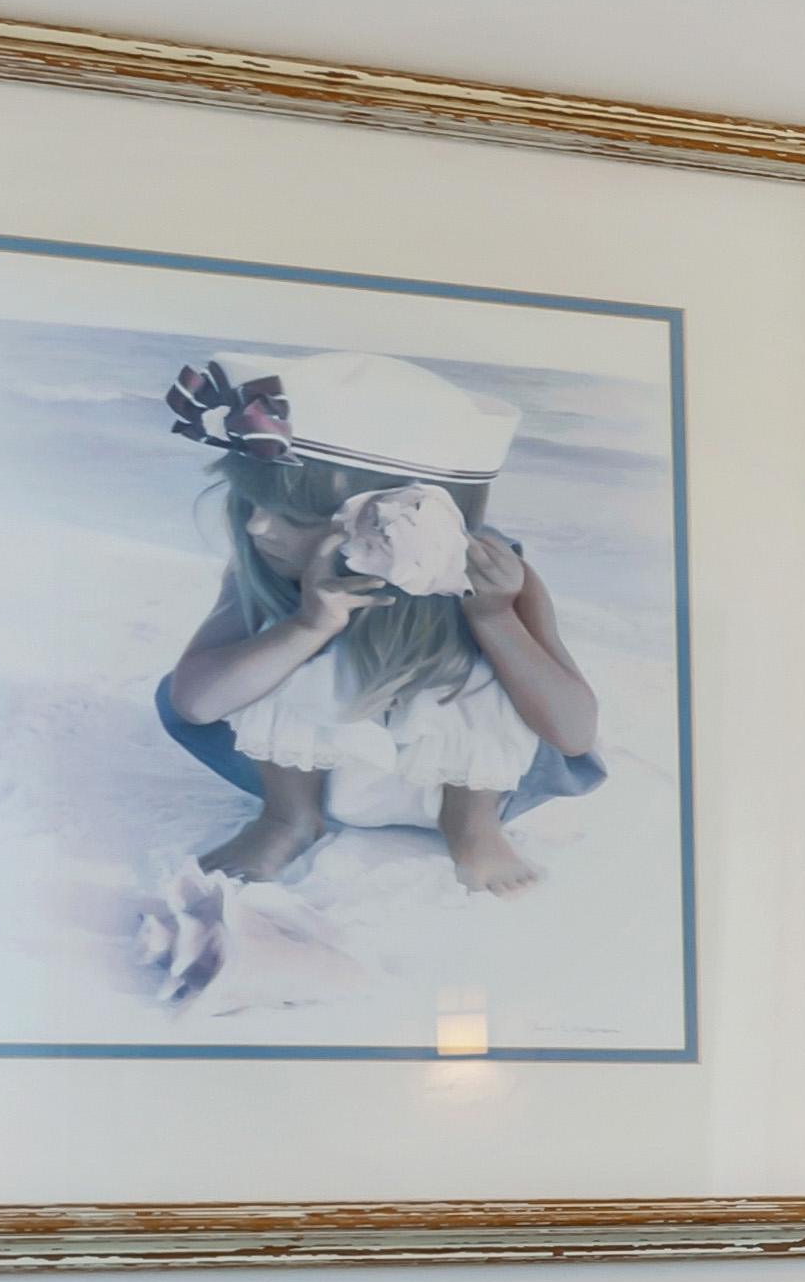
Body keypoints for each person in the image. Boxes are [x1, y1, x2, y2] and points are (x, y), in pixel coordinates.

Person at [149, 349, 606, 903]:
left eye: (291, 516)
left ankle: (472, 827)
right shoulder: (264, 573)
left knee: (491, 670)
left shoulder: (499, 575)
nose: (257, 525)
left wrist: (495, 617)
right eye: (250, 502)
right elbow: (195, 702)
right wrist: (306, 626)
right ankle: (287, 819)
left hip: (446, 783)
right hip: (322, 779)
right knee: (280, 658)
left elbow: (574, 732)